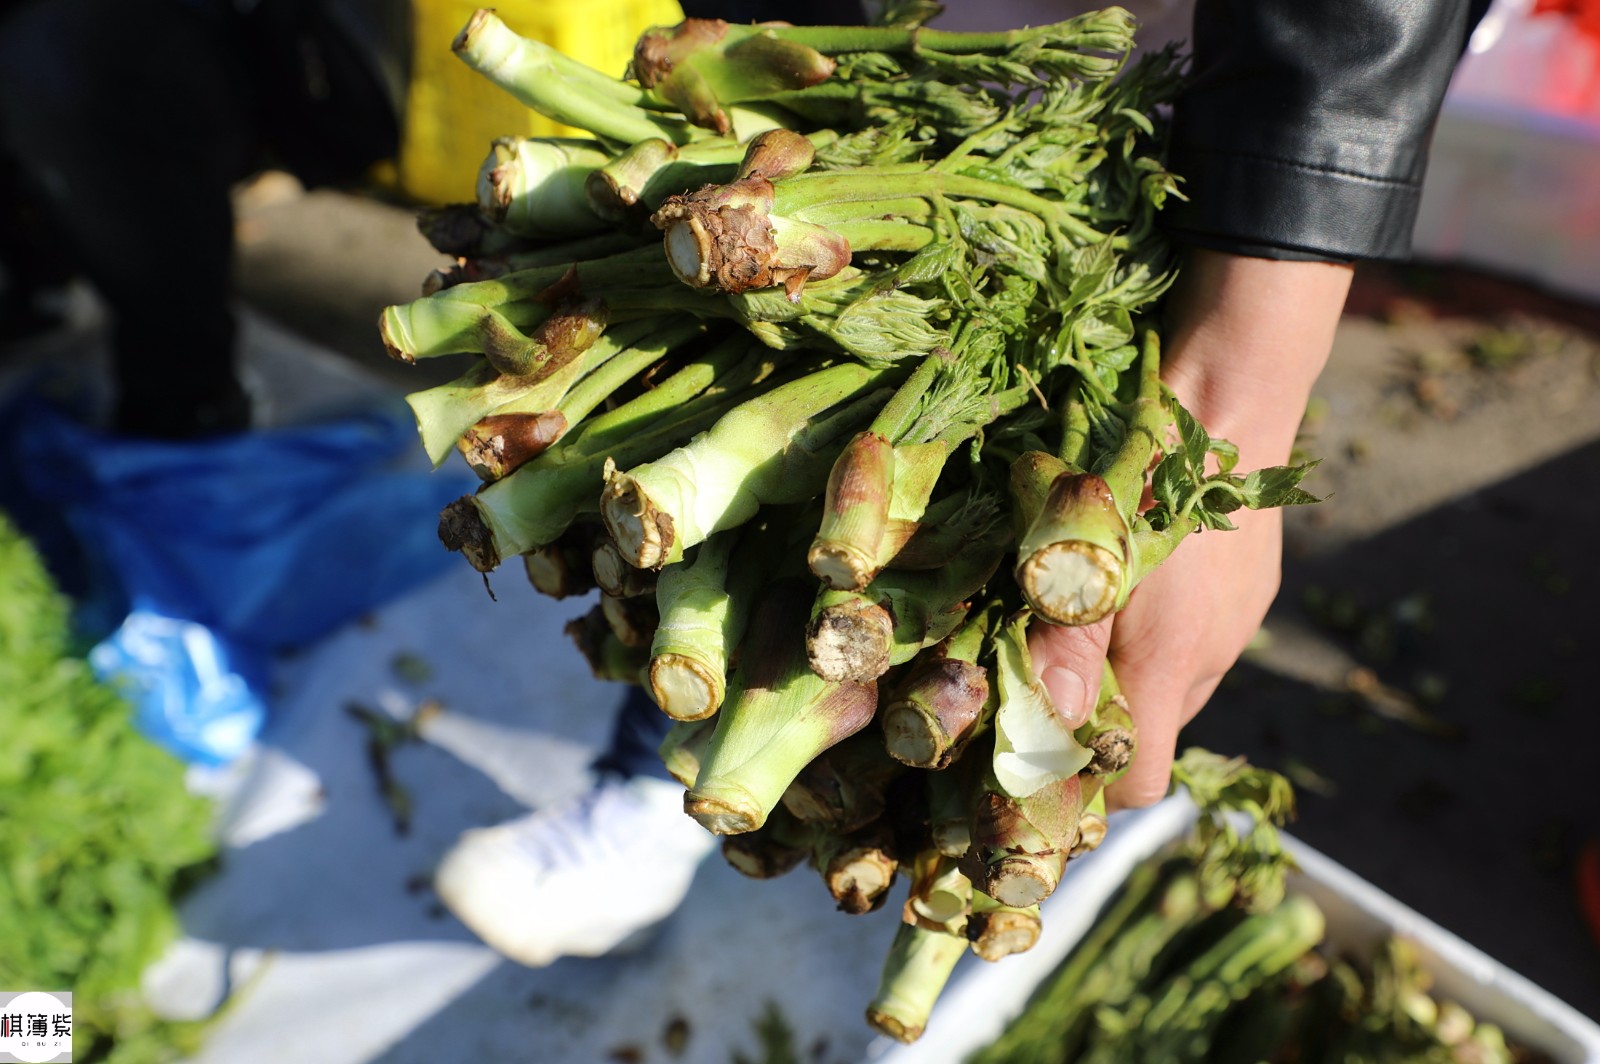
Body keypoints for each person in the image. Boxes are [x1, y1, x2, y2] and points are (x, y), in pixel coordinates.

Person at [433, 0, 1494, 967]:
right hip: (873, 100)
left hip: (1178, 133)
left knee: (1033, 561)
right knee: (743, 522)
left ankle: (769, 790)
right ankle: (655, 776)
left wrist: (1238, 399)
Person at [0, 0, 408, 438]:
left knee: (91, 102)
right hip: (86, 65)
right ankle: (181, 406)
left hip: (128, 56)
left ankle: (189, 408)